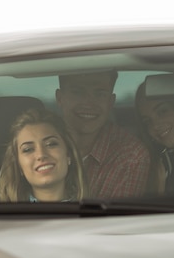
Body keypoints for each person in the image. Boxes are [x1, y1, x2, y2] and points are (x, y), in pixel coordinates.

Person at [55, 70, 150, 199]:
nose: (88, 103)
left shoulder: (130, 156)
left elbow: (117, 218)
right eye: (77, 92)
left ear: (111, 102)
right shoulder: (36, 148)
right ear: (60, 98)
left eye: (99, 94)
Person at [0, 108, 87, 202]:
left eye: (51, 144)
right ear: (19, 166)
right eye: (28, 149)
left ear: (68, 155)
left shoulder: (93, 214)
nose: (41, 155)